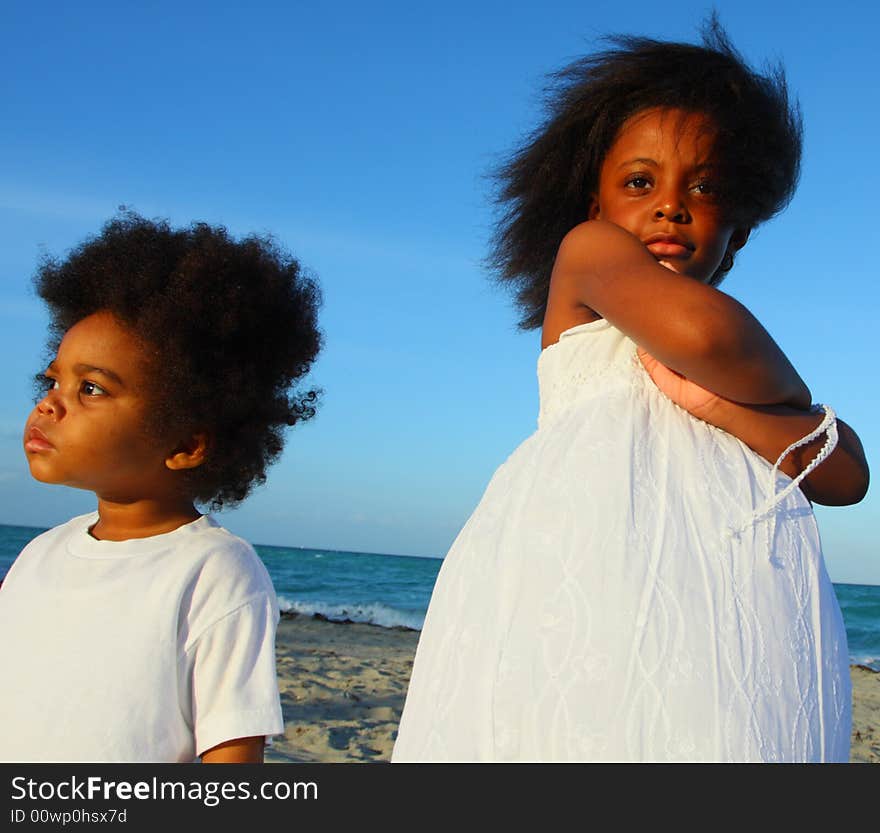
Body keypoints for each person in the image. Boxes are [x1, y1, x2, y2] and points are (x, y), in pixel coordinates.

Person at [392, 20, 869, 762]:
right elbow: (706, 337)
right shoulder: (589, 257)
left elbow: (848, 472)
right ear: (595, 206)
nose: (670, 205)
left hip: (732, 608)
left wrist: (724, 409)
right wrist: (788, 397)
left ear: (736, 234)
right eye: (639, 182)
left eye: (703, 188)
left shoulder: (740, 370)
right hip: (589, 577)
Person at [0, 212, 322, 763]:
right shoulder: (39, 555)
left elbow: (231, 762)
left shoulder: (214, 571)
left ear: (186, 445)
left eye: (92, 388)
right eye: (52, 380)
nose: (49, 403)